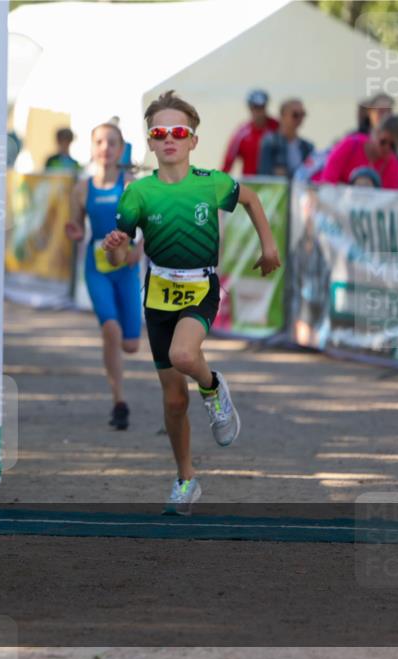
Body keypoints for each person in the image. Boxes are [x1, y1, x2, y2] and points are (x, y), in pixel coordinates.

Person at [102, 90, 281, 516]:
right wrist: (114, 247)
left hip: (201, 287)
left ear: (192, 141)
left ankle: (214, 386)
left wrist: (269, 246)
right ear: (149, 141)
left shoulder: (211, 183)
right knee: (173, 401)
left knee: (185, 355)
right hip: (158, 293)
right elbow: (123, 254)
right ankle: (186, 479)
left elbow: (251, 198)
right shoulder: (137, 194)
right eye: (160, 132)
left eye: (178, 132)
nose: (169, 139)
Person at [64, 121, 142, 430]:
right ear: (92, 148)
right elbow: (78, 227)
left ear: (121, 149)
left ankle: (119, 389)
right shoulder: (82, 188)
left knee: (131, 345)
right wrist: (74, 231)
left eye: (112, 143)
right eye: (100, 142)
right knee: (111, 330)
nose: (105, 148)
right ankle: (119, 401)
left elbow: (150, 223)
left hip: (127, 268)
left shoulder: (132, 185)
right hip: (97, 269)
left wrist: (141, 247)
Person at [314, 114, 398, 190]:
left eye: (393, 145)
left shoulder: (392, 163)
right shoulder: (350, 145)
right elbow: (327, 182)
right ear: (376, 133)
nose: (387, 148)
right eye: (383, 142)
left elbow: (390, 199)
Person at [222, 89, 279, 176]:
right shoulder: (242, 133)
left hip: (273, 183)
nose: (259, 112)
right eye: (255, 107)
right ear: (250, 108)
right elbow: (228, 161)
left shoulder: (277, 128)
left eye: (262, 107)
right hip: (251, 183)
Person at [258, 98, 314, 178]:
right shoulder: (270, 143)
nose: (300, 119)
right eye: (295, 115)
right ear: (282, 116)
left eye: (302, 114)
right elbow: (264, 174)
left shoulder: (307, 146)